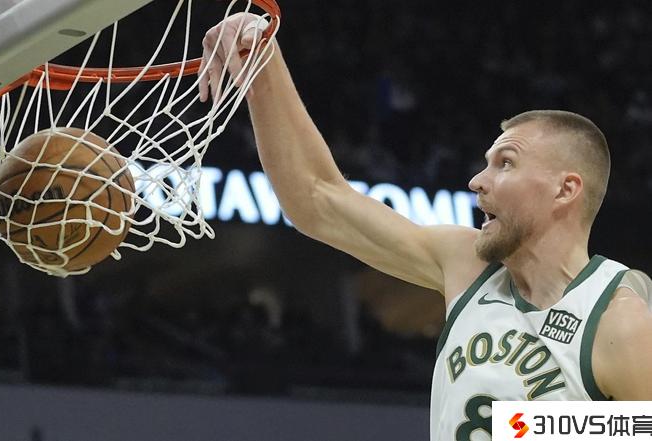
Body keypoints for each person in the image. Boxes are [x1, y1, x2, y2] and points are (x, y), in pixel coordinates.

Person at [198, 13, 652, 440]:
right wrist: (263, 66)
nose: (477, 181)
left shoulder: (621, 323)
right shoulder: (465, 264)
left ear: (565, 189)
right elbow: (316, 199)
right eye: (486, 163)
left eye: (506, 163)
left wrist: (522, 426)